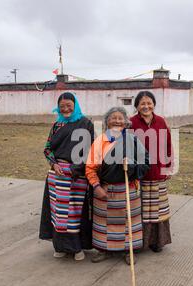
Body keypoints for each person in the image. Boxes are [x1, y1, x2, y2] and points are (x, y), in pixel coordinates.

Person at [85, 107, 149, 264]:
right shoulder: (100, 141)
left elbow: (146, 162)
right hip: (105, 190)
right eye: (113, 118)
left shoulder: (133, 140)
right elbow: (90, 167)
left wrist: (132, 165)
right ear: (107, 121)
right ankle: (104, 249)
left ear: (126, 122)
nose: (117, 121)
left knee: (129, 224)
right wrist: (96, 186)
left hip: (128, 189)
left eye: (120, 118)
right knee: (104, 223)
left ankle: (129, 251)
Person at [39, 92, 94, 261]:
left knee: (75, 211)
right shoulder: (57, 125)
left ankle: (77, 248)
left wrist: (75, 169)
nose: (65, 109)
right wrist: (54, 164)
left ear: (75, 104)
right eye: (62, 106)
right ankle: (60, 246)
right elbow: (47, 149)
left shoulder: (86, 123)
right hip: (57, 175)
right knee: (58, 213)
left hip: (77, 174)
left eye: (69, 105)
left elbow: (91, 150)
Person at [130, 91, 173, 253]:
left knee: (158, 208)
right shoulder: (131, 123)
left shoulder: (161, 121)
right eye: (142, 103)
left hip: (157, 171)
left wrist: (168, 167)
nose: (146, 106)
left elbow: (168, 145)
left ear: (154, 104)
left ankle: (157, 242)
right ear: (137, 106)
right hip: (139, 173)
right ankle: (139, 243)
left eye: (149, 103)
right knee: (140, 208)